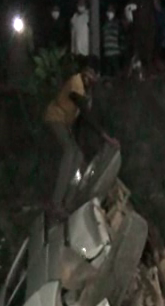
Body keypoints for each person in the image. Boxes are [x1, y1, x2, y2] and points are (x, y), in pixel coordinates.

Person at [43, 57, 119, 214]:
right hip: (55, 118)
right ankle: (56, 202)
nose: (93, 79)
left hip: (67, 126)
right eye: (93, 75)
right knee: (70, 153)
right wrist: (107, 138)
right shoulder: (76, 83)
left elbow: (82, 120)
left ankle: (68, 201)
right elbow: (87, 116)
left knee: (78, 159)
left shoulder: (86, 90)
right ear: (88, 72)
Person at [128, 0, 161, 73]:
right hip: (138, 27)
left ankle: (149, 72)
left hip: (150, 27)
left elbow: (158, 8)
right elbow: (130, 10)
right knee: (138, 53)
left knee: (149, 52)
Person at [102, 4, 122, 76]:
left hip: (114, 53)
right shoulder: (105, 24)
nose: (109, 12)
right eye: (108, 10)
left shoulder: (117, 23)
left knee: (117, 73)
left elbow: (118, 34)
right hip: (107, 53)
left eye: (111, 10)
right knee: (107, 74)